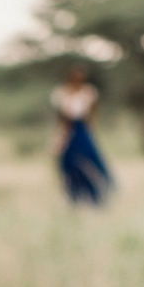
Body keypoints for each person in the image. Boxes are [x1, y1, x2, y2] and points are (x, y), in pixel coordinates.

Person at [51, 64, 113, 204]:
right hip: (68, 129)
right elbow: (60, 117)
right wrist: (58, 137)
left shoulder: (89, 92)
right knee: (69, 162)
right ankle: (74, 195)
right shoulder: (61, 92)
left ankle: (95, 195)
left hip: (82, 128)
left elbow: (92, 114)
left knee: (88, 159)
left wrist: (91, 129)